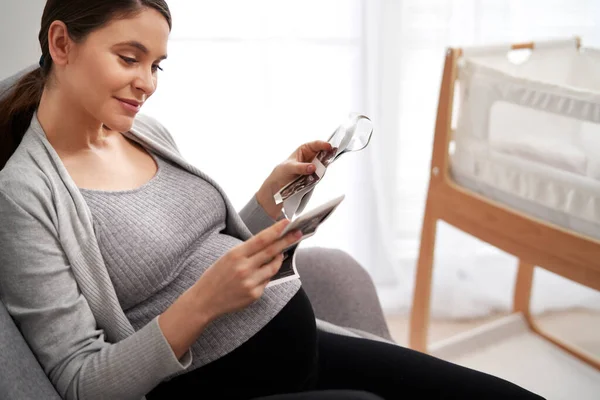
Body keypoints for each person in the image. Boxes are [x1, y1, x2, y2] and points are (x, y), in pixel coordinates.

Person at [0, 1, 545, 400]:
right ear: (62, 43)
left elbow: (200, 244)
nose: (146, 83)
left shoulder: (145, 131)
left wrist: (272, 197)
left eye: (157, 65)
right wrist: (204, 302)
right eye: (129, 57)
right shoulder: (24, 195)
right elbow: (78, 382)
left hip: (297, 342)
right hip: (217, 384)